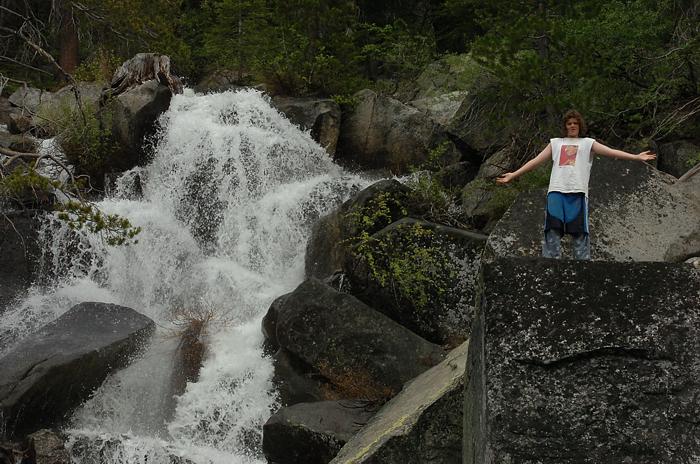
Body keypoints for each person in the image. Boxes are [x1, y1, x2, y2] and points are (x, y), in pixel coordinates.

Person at [496, 110, 656, 260]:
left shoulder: (588, 143)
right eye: (569, 123)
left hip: (578, 192)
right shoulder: (556, 143)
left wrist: (635, 157)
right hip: (556, 191)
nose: (572, 126)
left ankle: (581, 267)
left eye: (575, 123)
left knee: (580, 232)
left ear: (580, 125)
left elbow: (611, 152)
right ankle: (550, 266)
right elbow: (535, 161)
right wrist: (513, 174)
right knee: (552, 229)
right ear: (565, 126)